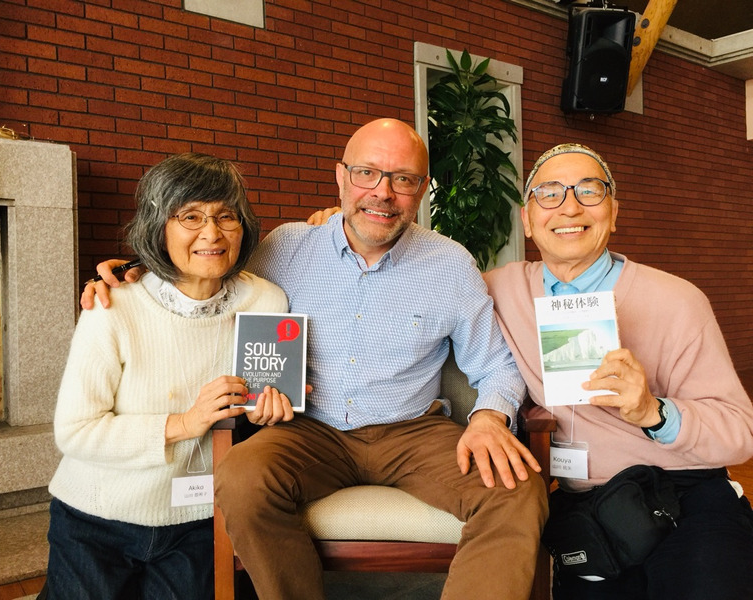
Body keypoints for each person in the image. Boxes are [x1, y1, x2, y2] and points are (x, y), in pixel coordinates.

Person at [83, 118, 549, 600]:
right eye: (367, 173)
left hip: (412, 431)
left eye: (403, 179)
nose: (383, 192)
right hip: (308, 430)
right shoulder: (285, 248)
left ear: (422, 189)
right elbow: (210, 277)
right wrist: (141, 272)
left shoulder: (450, 264)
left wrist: (489, 417)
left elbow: (496, 364)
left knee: (517, 490)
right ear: (341, 177)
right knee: (242, 478)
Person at [482, 143, 753, 599]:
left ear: (613, 213)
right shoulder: (500, 290)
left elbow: (741, 431)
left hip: (684, 492)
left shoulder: (678, 300)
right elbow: (423, 284)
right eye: (549, 193)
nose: (569, 206)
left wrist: (655, 413)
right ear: (527, 220)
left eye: (589, 190)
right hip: (585, 506)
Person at [46, 153, 291, 599]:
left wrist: (263, 415)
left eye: (226, 216)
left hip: (198, 519)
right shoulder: (112, 305)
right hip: (96, 517)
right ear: (158, 227)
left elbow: (256, 404)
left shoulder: (267, 302)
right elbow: (75, 431)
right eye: (190, 217)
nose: (212, 233)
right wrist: (184, 423)